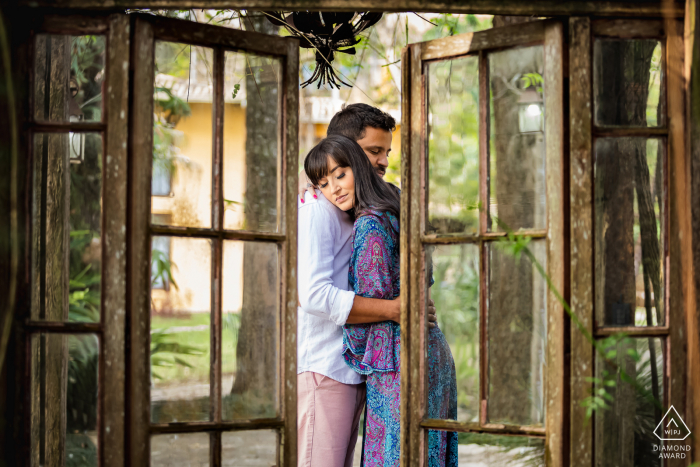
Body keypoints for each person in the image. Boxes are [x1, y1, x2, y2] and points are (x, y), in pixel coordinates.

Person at [296, 104, 438, 467]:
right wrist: (395, 310)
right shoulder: (318, 208)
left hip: (357, 366)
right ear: (344, 149)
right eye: (374, 151)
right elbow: (313, 295)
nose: (384, 161)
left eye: (387, 152)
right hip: (325, 367)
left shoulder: (358, 208)